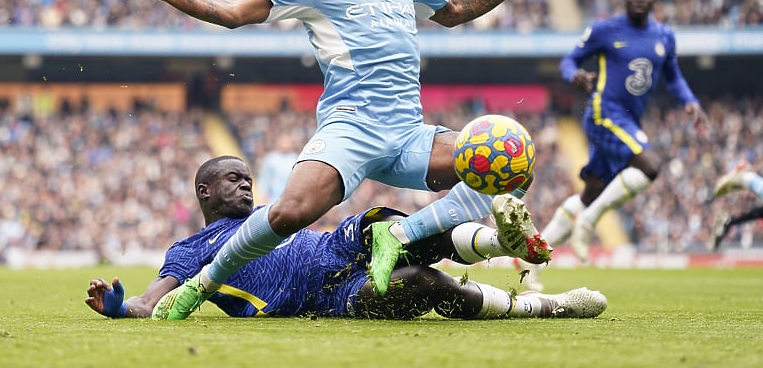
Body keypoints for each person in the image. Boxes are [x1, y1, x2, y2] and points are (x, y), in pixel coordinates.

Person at [109, 0, 570, 317]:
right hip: (350, 129)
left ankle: (405, 234)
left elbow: (454, 10)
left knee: (512, 166)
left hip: (409, 133)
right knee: (290, 212)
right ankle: (200, 286)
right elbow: (233, 14)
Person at [85, 156, 608, 320]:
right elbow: (152, 302)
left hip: (335, 246)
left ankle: (501, 243)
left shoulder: (273, 213)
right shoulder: (189, 251)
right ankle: (542, 306)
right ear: (204, 191)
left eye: (248, 177)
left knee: (390, 225)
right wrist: (119, 307)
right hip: (321, 298)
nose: (245, 183)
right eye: (232, 178)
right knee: (421, 284)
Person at [523, 0, 709, 289]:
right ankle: (591, 221)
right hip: (603, 113)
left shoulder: (664, 36)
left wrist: (690, 101)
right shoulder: (605, 29)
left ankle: (531, 262)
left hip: (628, 122)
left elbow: (674, 77)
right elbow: (569, 60)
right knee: (650, 165)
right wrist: (574, 76)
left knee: (589, 193)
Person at [711, 161, 763, 249]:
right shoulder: (747, 177)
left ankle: (728, 223)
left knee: (753, 214)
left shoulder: (746, 178)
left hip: (735, 182)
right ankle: (728, 223)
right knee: (753, 214)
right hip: (737, 181)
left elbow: (718, 190)